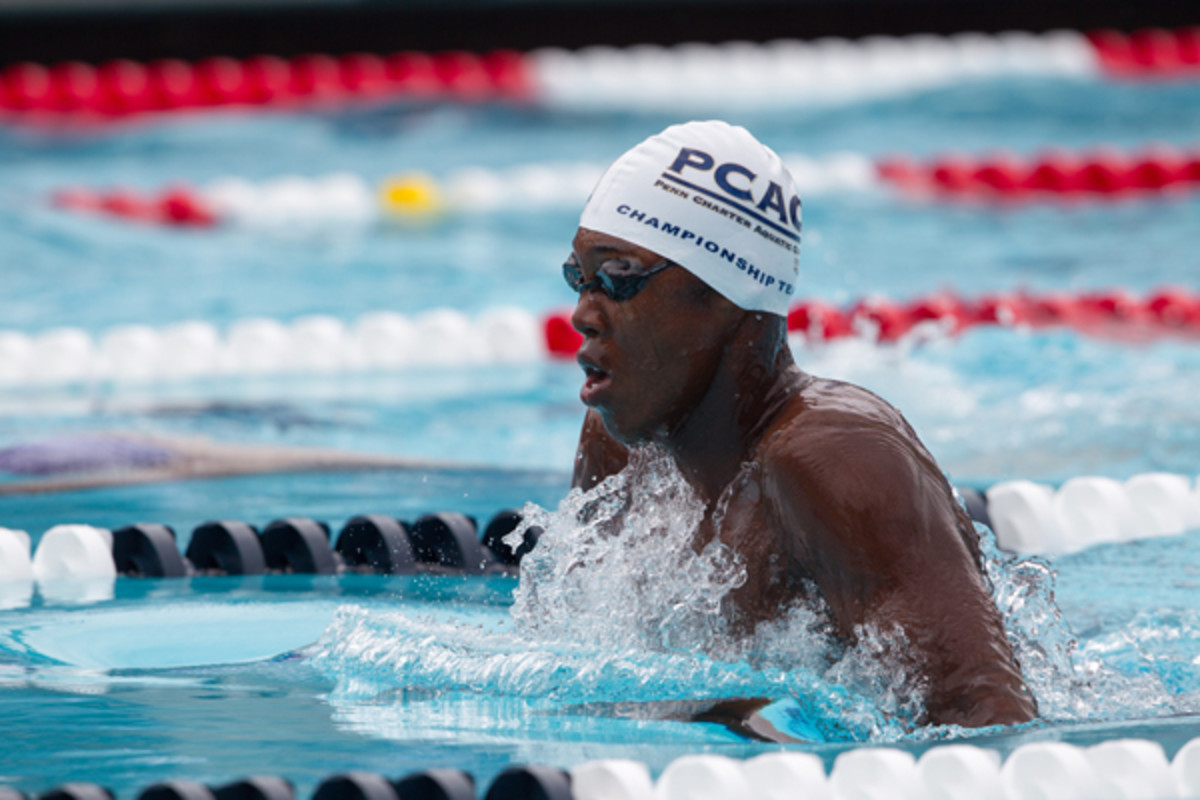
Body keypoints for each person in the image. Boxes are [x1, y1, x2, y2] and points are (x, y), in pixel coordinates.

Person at [564, 120, 1035, 728]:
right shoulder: (622, 442)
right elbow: (587, 660)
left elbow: (987, 725)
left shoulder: (835, 461)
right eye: (578, 278)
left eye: (620, 278)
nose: (581, 314)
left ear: (726, 295)